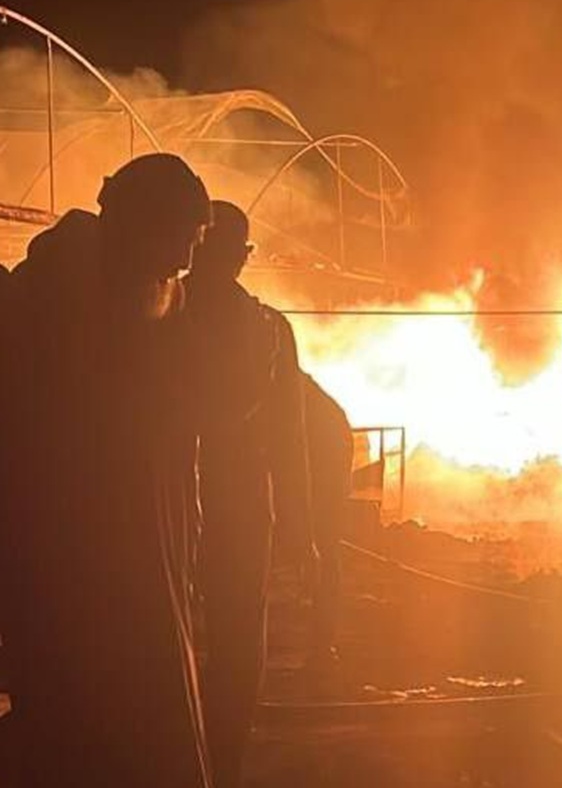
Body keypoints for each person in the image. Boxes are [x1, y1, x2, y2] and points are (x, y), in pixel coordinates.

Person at [0, 153, 214, 787]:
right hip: (70, 563)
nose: (187, 260)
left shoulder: (161, 298)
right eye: (181, 239)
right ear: (136, 225)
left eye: (196, 243)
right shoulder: (48, 300)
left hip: (153, 553)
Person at [186, 200, 316, 788]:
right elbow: (290, 438)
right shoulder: (270, 329)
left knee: (169, 637)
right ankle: (222, 762)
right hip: (240, 500)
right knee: (239, 642)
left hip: (169, 499)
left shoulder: (162, 314)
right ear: (239, 256)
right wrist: (300, 529)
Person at [301, 372, 355, 662]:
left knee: (325, 548)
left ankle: (322, 643)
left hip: (327, 457)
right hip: (320, 450)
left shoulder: (316, 410)